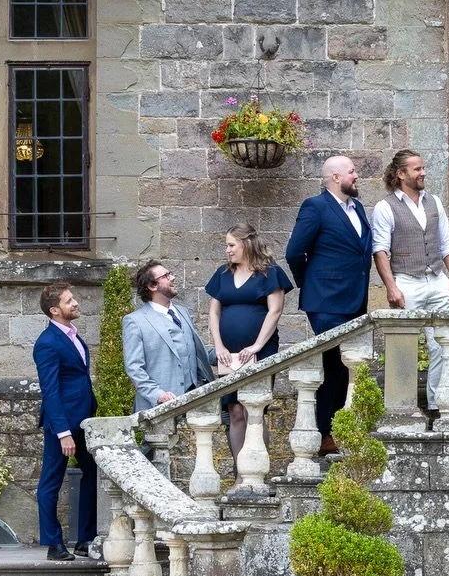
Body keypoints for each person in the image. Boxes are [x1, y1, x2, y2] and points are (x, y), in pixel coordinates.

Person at [286, 155, 373, 453]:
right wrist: (310, 283)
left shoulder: (357, 208)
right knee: (334, 363)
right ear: (335, 177)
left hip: (355, 298)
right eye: (352, 172)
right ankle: (326, 432)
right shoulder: (315, 207)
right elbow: (295, 253)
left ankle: (337, 429)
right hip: (325, 300)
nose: (356, 176)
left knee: (345, 365)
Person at [371, 149, 449, 414]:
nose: (423, 173)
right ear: (400, 174)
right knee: (404, 345)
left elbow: (447, 243)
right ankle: (403, 406)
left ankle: (437, 404)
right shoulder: (385, 207)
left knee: (443, 344)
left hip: (437, 280)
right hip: (406, 282)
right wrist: (391, 287)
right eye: (417, 169)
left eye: (423, 168)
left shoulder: (434, 201)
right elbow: (380, 251)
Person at [205, 224, 294, 461]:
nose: (227, 250)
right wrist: (219, 346)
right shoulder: (222, 274)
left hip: (260, 351)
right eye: (227, 245)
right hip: (229, 355)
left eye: (231, 245)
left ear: (246, 244)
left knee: (253, 410)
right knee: (234, 410)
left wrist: (256, 346)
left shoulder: (269, 272)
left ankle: (257, 468)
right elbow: (214, 313)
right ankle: (240, 473)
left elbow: (274, 311)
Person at [32, 283, 98, 561]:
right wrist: (63, 432)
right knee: (51, 481)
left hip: (84, 420)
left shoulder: (73, 335)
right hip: (62, 424)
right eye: (70, 300)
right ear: (54, 310)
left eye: (74, 298)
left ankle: (85, 539)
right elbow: (50, 391)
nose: (76, 303)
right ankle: (53, 544)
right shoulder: (46, 343)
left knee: (93, 473)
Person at [122, 261, 215, 413]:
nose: (172, 278)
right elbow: (134, 368)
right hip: (160, 407)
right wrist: (158, 395)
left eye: (170, 273)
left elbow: (197, 351)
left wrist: (228, 355)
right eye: (166, 276)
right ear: (152, 286)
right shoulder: (135, 321)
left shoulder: (183, 312)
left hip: (193, 400)